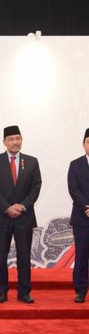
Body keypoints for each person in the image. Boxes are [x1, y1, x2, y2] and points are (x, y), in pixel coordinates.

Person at [0, 125, 42, 304]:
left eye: (18, 138)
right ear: (4, 142)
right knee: (1, 256)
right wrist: (7, 207)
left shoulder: (32, 161)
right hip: (2, 215)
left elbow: (36, 187)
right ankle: (1, 291)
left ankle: (24, 291)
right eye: (11, 139)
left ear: (21, 140)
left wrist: (23, 206)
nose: (15, 142)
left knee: (24, 256)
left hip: (24, 216)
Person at [68, 128, 89, 303]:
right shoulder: (75, 164)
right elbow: (73, 189)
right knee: (82, 255)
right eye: (88, 142)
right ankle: (81, 290)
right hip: (82, 218)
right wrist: (86, 207)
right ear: (83, 144)